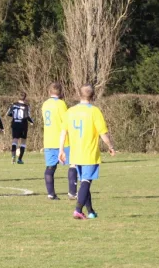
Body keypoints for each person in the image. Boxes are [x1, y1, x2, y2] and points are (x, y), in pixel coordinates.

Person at [59, 85, 115, 220]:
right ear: (93, 95)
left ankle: (90, 211)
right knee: (86, 182)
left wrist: (61, 149)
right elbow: (103, 133)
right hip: (89, 153)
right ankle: (77, 210)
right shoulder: (94, 111)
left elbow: (63, 132)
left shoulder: (70, 111)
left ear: (79, 94)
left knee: (85, 182)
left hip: (75, 153)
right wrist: (110, 146)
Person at [42, 82, 77, 200]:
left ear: (49, 92)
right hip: (62, 140)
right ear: (61, 92)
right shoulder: (61, 104)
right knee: (73, 164)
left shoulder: (45, 104)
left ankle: (51, 193)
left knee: (50, 167)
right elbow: (66, 121)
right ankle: (72, 192)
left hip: (48, 140)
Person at [6, 92, 34, 164]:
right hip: (23, 125)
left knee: (15, 140)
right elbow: (27, 116)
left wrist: (15, 116)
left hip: (15, 124)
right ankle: (20, 159)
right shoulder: (26, 106)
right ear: (25, 98)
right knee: (23, 141)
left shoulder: (13, 105)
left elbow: (8, 113)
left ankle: (13, 156)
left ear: (18, 97)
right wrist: (32, 121)